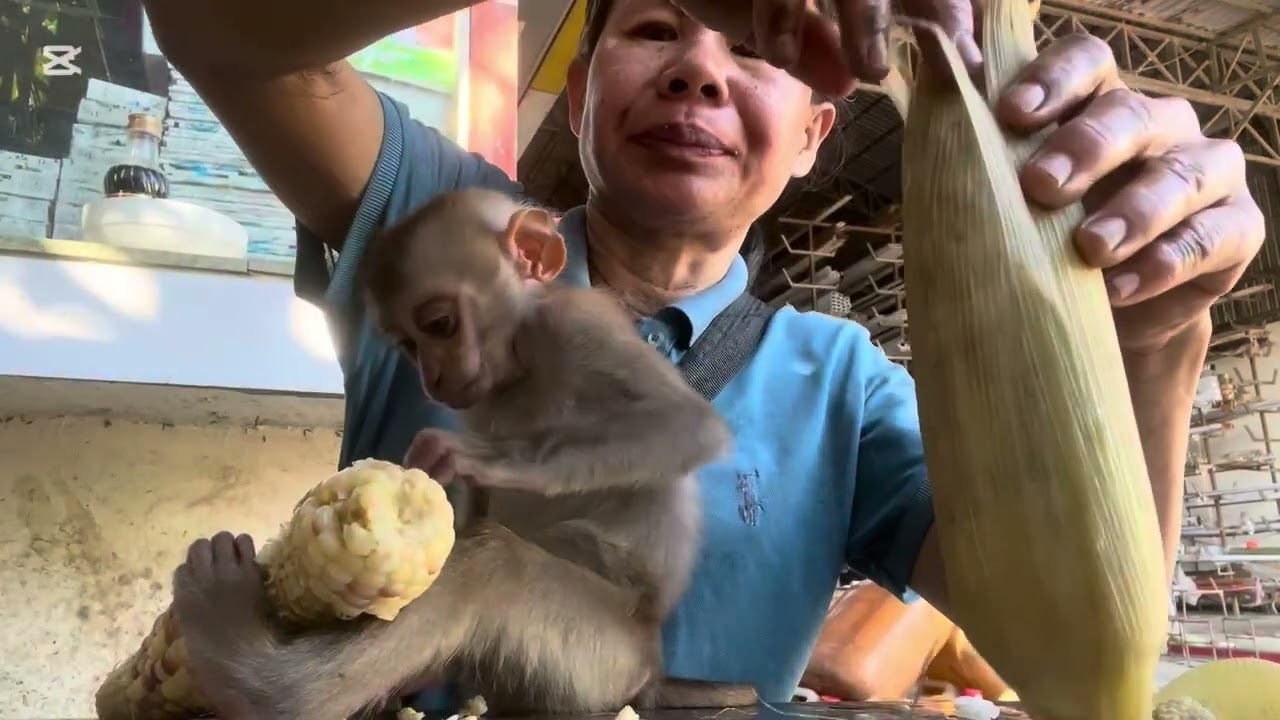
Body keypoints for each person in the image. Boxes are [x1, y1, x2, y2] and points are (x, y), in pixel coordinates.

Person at [143, 0, 1264, 710]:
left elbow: (1063, 651)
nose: (697, 69)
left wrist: (1156, 340)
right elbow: (217, 31)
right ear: (579, 97)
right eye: (651, 28)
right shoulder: (455, 233)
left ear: (818, 138)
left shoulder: (844, 383)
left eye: (752, 50)